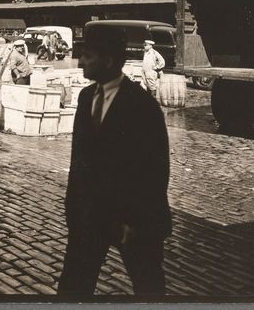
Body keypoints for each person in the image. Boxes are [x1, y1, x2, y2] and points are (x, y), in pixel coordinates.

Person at [58, 26, 171, 297]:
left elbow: (156, 170)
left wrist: (136, 221)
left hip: (131, 221)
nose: (81, 62)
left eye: (87, 56)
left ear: (108, 61)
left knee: (148, 287)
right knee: (73, 287)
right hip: (89, 216)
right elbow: (80, 159)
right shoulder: (86, 98)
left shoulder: (142, 105)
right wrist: (74, 209)